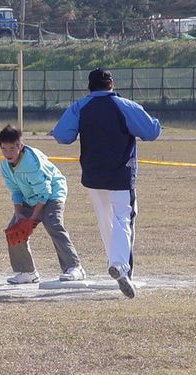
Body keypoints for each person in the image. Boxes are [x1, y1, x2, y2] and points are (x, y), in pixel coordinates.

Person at [52, 68, 161, 298]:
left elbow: (62, 135)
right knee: (124, 219)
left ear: (89, 87)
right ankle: (120, 266)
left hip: (92, 175)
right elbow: (151, 132)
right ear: (111, 84)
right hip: (120, 175)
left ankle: (115, 262)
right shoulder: (124, 105)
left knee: (105, 222)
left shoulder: (80, 106)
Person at [0, 124, 86, 284]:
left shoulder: (32, 163)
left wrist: (32, 218)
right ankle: (27, 272)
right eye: (4, 149)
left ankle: (74, 267)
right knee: (14, 230)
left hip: (52, 192)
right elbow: (16, 191)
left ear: (20, 146)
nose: (8, 153)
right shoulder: (5, 166)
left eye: (12, 149)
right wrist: (19, 213)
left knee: (53, 223)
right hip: (30, 196)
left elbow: (44, 192)